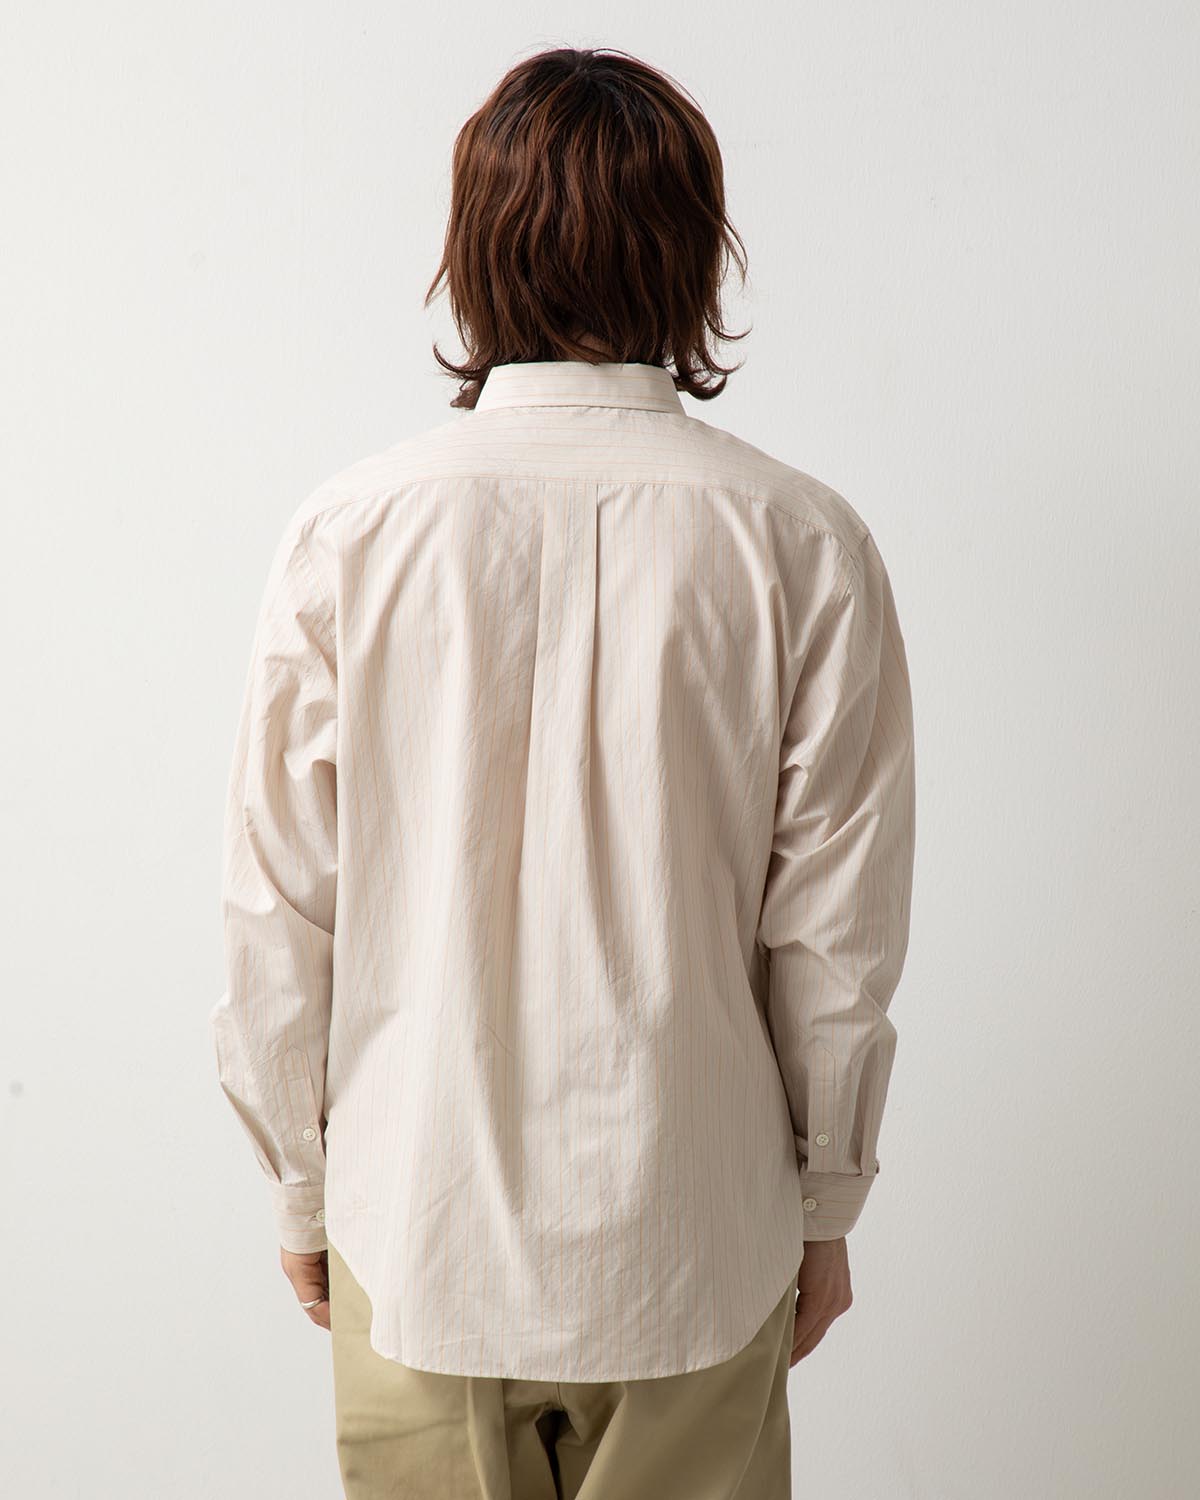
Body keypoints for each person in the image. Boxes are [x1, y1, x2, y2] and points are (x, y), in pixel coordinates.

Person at [211, 44, 916, 1500]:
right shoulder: (802, 544)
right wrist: (826, 1199)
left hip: (417, 1228)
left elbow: (278, 904)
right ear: (693, 255)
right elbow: (834, 933)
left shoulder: (351, 534)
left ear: (474, 252)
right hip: (698, 1231)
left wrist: (298, 1182)